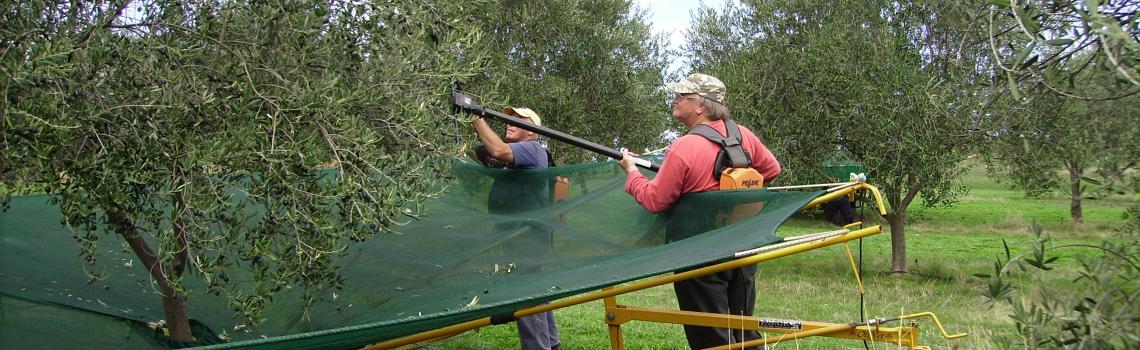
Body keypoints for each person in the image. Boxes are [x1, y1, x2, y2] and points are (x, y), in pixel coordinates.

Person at [618, 73, 781, 350]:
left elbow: (655, 201)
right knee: (744, 328)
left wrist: (632, 172)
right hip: (744, 245)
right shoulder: (744, 136)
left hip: (697, 253)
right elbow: (771, 170)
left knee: (711, 337)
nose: (675, 99)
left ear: (702, 106)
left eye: (683, 96)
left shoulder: (685, 146)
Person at [472, 107, 562, 350]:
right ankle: (552, 345)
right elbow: (491, 155)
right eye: (508, 119)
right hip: (520, 235)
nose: (509, 123)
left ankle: (538, 347)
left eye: (518, 121)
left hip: (527, 236)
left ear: (533, 131)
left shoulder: (533, 150)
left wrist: (476, 119)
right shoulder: (519, 155)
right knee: (536, 291)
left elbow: (497, 149)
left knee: (526, 294)